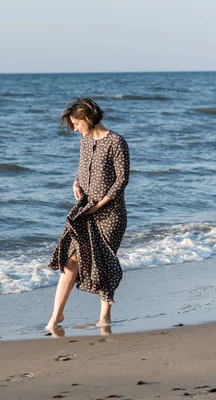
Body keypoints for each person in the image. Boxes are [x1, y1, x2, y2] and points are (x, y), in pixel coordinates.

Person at [46, 98, 130, 332]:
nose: (74, 128)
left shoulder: (116, 142)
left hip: (110, 215)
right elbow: (82, 168)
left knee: (103, 262)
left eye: (75, 123)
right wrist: (75, 183)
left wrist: (100, 204)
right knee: (70, 261)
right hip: (85, 210)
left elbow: (122, 180)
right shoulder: (84, 141)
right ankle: (56, 316)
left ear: (87, 118)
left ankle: (105, 316)